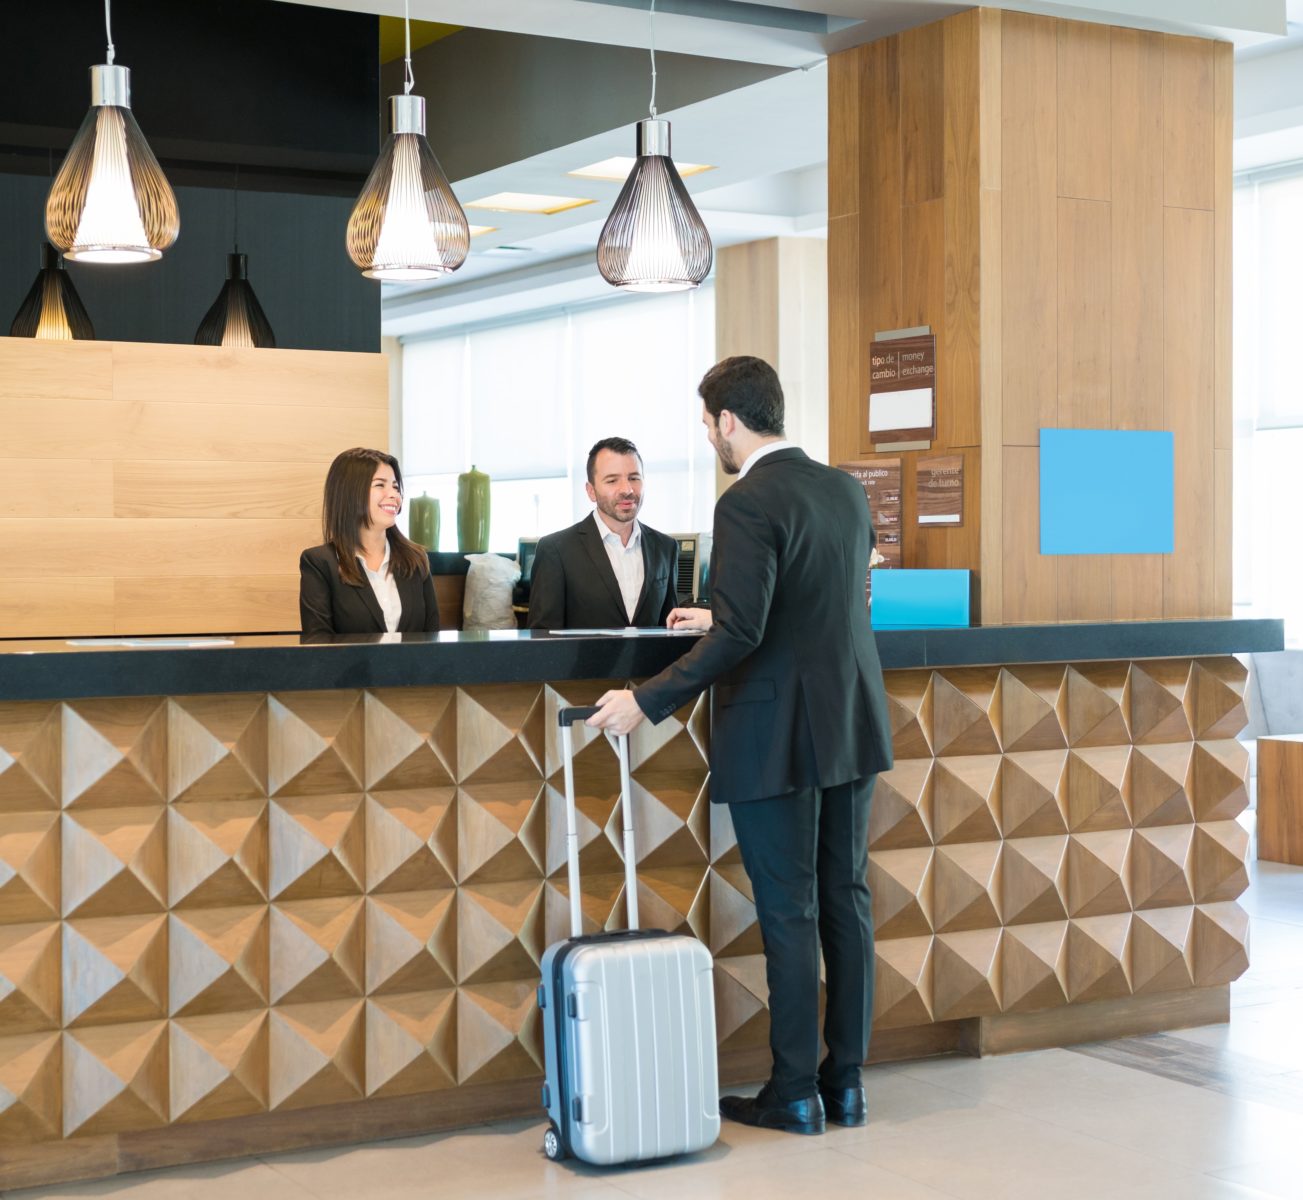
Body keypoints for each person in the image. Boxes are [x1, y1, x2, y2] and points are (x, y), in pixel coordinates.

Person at [587, 357, 893, 1136]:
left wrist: (645, 699)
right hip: (850, 723)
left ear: (727, 421)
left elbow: (750, 631)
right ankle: (845, 1085)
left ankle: (793, 1093)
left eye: (707, 425)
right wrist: (716, 621)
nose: (710, 438)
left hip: (777, 733)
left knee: (788, 915)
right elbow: (811, 604)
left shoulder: (748, 500)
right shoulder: (843, 489)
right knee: (845, 904)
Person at [527, 436, 680, 630]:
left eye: (634, 478)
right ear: (591, 491)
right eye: (612, 480)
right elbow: (542, 640)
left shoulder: (666, 548)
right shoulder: (556, 550)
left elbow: (669, 632)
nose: (627, 489)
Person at [299, 447, 439, 636]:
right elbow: (318, 645)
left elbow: (433, 640)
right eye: (380, 485)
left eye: (395, 487)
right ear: (350, 493)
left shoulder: (416, 559)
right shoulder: (319, 563)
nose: (394, 495)